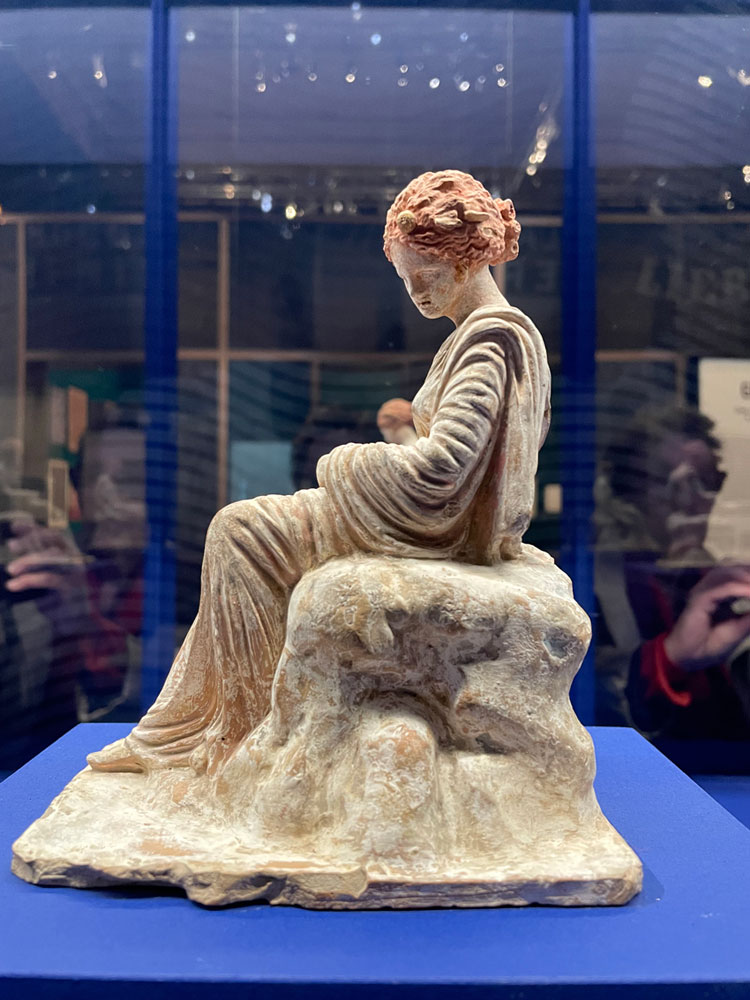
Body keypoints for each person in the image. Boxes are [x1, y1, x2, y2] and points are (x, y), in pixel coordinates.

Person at [88, 169, 550, 776]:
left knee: (241, 532)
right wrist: (401, 436)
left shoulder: (488, 340)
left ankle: (223, 732)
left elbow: (442, 475)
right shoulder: (485, 336)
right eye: (405, 278)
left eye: (425, 274)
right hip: (429, 523)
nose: (415, 291)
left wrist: (344, 460)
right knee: (239, 531)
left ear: (465, 260)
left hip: (433, 531)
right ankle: (193, 728)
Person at [595, 406, 750, 747]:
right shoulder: (587, 584)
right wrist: (669, 658)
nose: (686, 499)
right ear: (628, 492)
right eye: (662, 479)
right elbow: (586, 706)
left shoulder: (722, 583)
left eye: (704, 480)